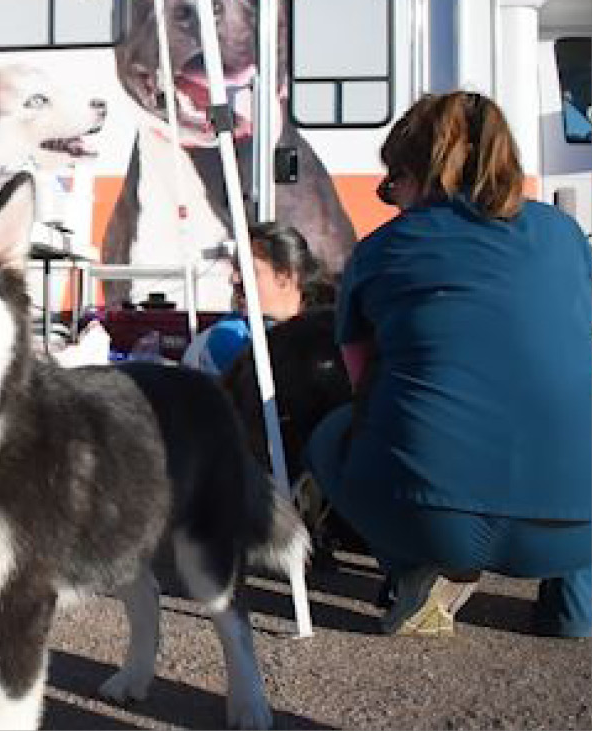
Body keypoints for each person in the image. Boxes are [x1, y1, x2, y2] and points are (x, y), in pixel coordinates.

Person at [305, 91, 592, 639]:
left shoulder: (380, 250)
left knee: (332, 434)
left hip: (432, 519)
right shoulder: (563, 234)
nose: (389, 196)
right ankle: (574, 613)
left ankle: (414, 571)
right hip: (575, 526)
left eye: (393, 181)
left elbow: (364, 383)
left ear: (417, 173)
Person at [182, 221, 334, 375]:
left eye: (247, 270)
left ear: (285, 275)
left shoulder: (331, 332)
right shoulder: (226, 338)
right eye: (235, 269)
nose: (233, 279)